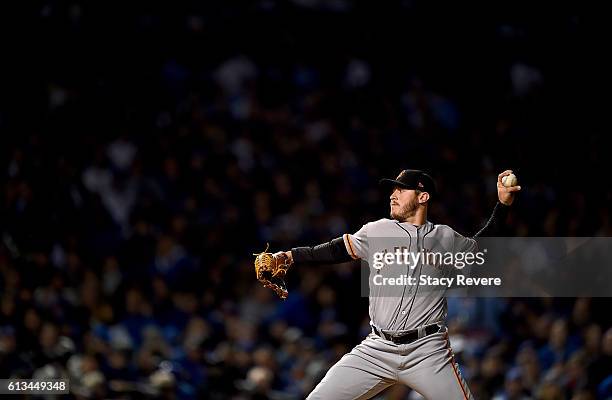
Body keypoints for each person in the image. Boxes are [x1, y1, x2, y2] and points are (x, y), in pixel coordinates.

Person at [271, 169, 521, 399]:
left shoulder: (445, 237)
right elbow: (336, 250)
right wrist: (292, 256)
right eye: (393, 190)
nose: (393, 195)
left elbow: (485, 247)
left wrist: (503, 204)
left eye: (401, 189)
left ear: (423, 197)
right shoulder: (377, 231)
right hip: (377, 348)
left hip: (428, 351)